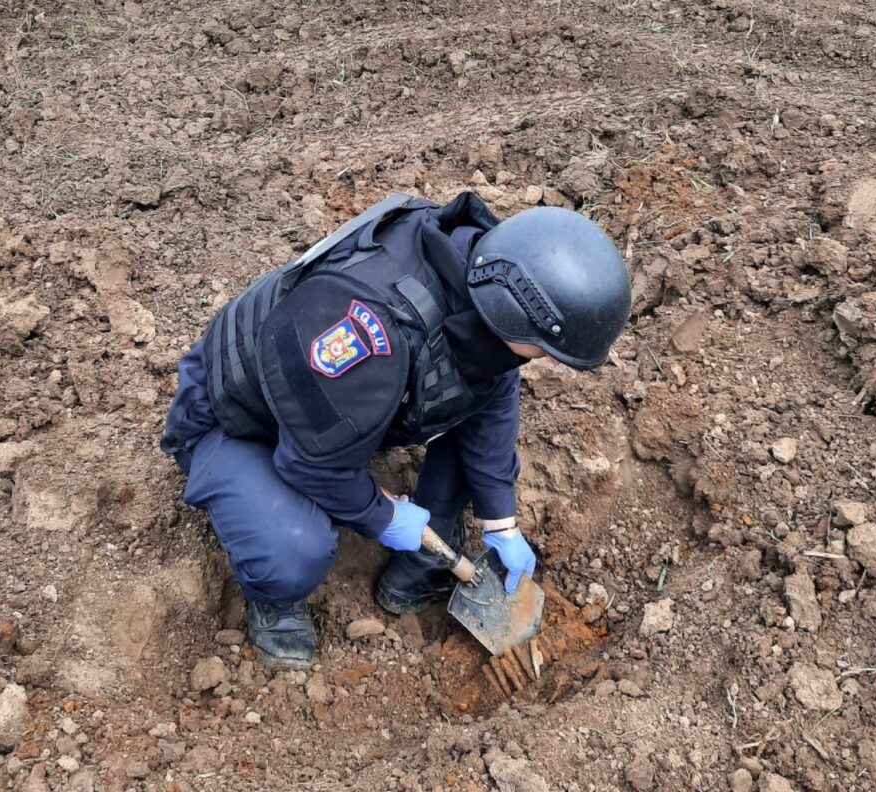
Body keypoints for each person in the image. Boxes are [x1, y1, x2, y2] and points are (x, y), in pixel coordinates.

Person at [160, 191, 631, 669]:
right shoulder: (369, 337)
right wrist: (382, 514)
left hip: (330, 410)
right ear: (512, 314)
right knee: (294, 550)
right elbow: (310, 464)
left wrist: (500, 521)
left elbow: (492, 391)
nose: (549, 361)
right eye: (547, 350)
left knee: (469, 425)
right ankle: (275, 600)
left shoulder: (482, 273)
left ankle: (422, 565)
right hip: (235, 420)